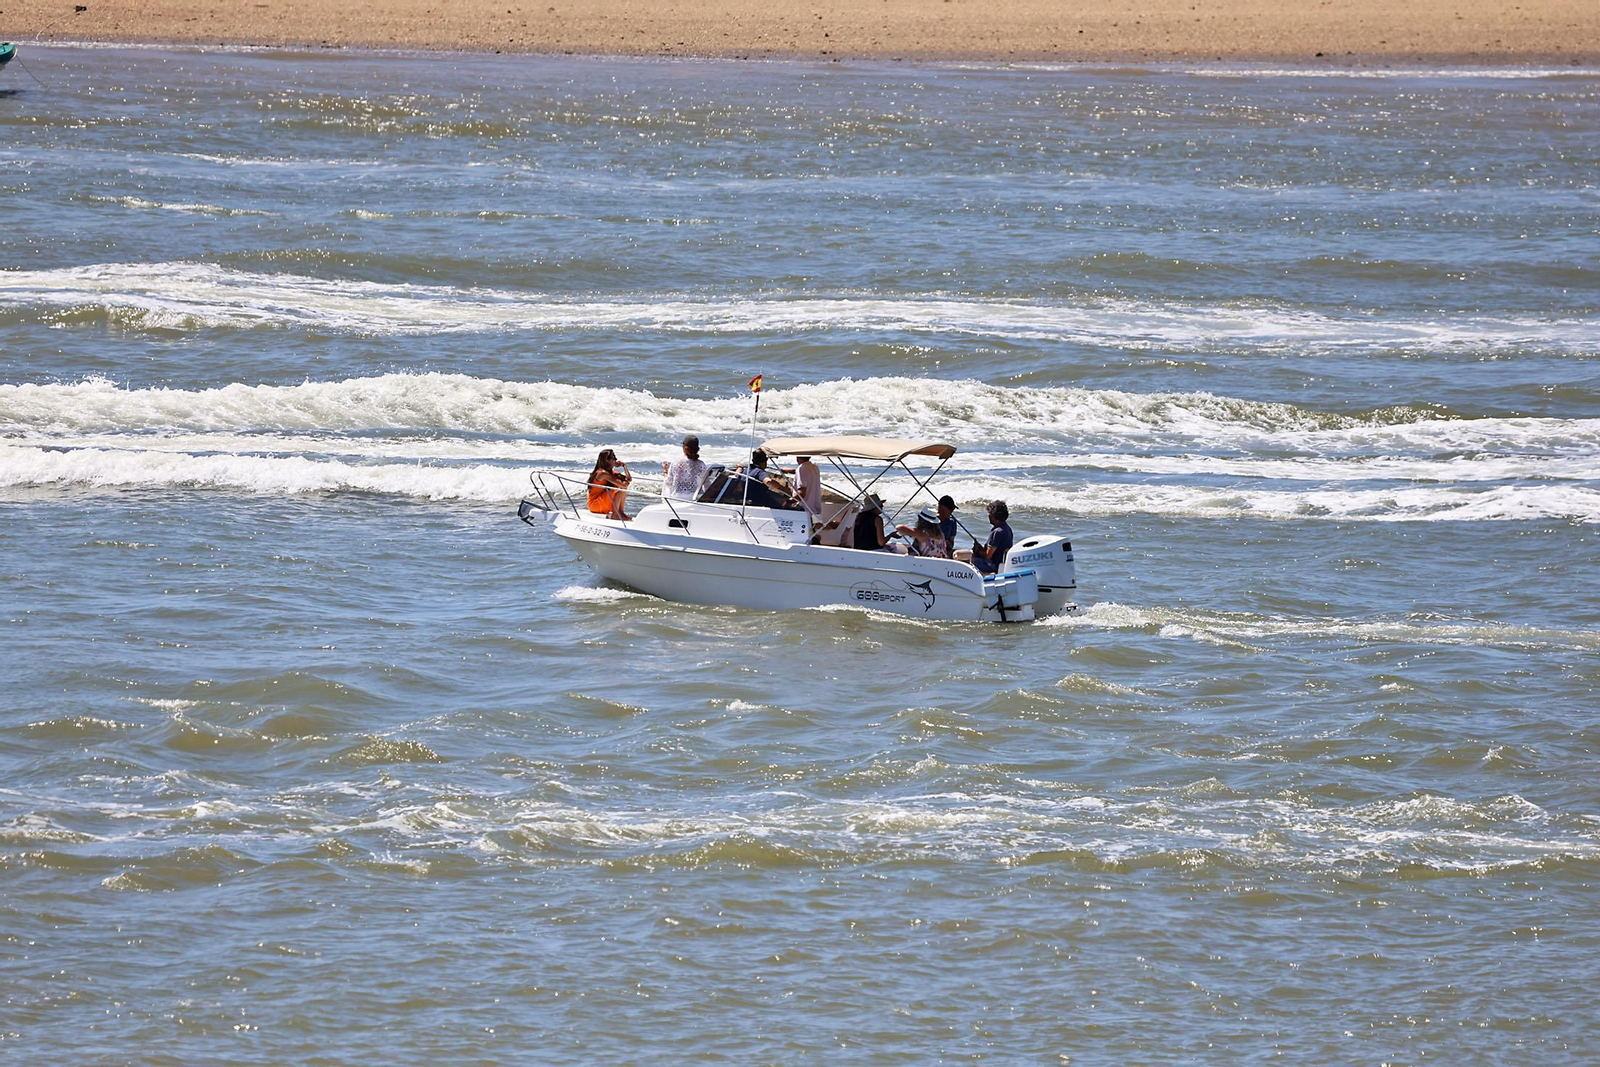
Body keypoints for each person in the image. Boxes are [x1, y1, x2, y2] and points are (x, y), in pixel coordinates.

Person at [586, 448, 631, 521]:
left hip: (602, 500)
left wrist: (624, 466)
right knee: (619, 488)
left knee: (621, 487)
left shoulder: (610, 472)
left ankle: (620, 512)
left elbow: (629, 479)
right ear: (607, 460)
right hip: (594, 504)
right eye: (613, 457)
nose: (616, 459)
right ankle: (615, 514)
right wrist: (624, 483)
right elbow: (624, 484)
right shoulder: (602, 473)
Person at [971, 500, 1013, 574]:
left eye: (990, 514)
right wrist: (980, 548)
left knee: (965, 559)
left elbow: (987, 556)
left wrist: (977, 551)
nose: (988, 516)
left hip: (992, 565)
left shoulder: (997, 532)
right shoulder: (1007, 528)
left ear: (994, 515)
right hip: (1000, 564)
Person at [662, 435, 707, 500]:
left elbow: (668, 483)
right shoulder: (701, 465)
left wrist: (665, 471)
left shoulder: (675, 462)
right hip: (694, 500)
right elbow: (707, 485)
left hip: (676, 499)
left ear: (684, 447)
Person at [794, 454, 822, 519]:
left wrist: (789, 501)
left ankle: (835, 525)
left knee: (810, 527)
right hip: (815, 508)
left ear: (798, 458)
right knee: (817, 526)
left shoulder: (801, 468)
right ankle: (839, 525)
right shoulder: (814, 467)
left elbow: (802, 493)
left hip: (804, 510)